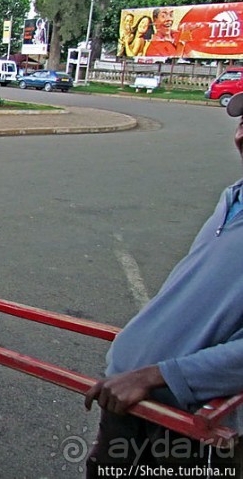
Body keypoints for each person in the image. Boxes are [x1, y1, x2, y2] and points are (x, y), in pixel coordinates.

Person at [84, 91, 243, 476]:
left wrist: (156, 375)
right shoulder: (233, 197)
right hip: (128, 396)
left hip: (188, 423)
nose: (241, 136)